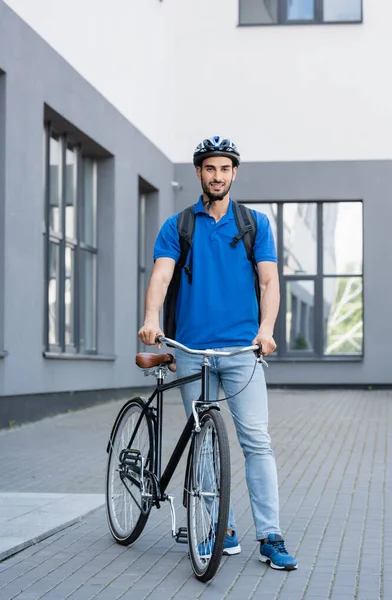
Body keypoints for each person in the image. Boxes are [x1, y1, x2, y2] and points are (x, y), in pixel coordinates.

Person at [138, 136, 298, 571]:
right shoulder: (179, 226)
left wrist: (266, 329)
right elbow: (161, 276)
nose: (217, 176)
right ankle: (216, 525)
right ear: (199, 173)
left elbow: (268, 282)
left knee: (257, 442)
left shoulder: (254, 224)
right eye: (210, 168)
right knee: (202, 441)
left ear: (234, 174)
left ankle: (270, 535)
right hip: (192, 351)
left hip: (244, 351)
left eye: (225, 169)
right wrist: (152, 318)